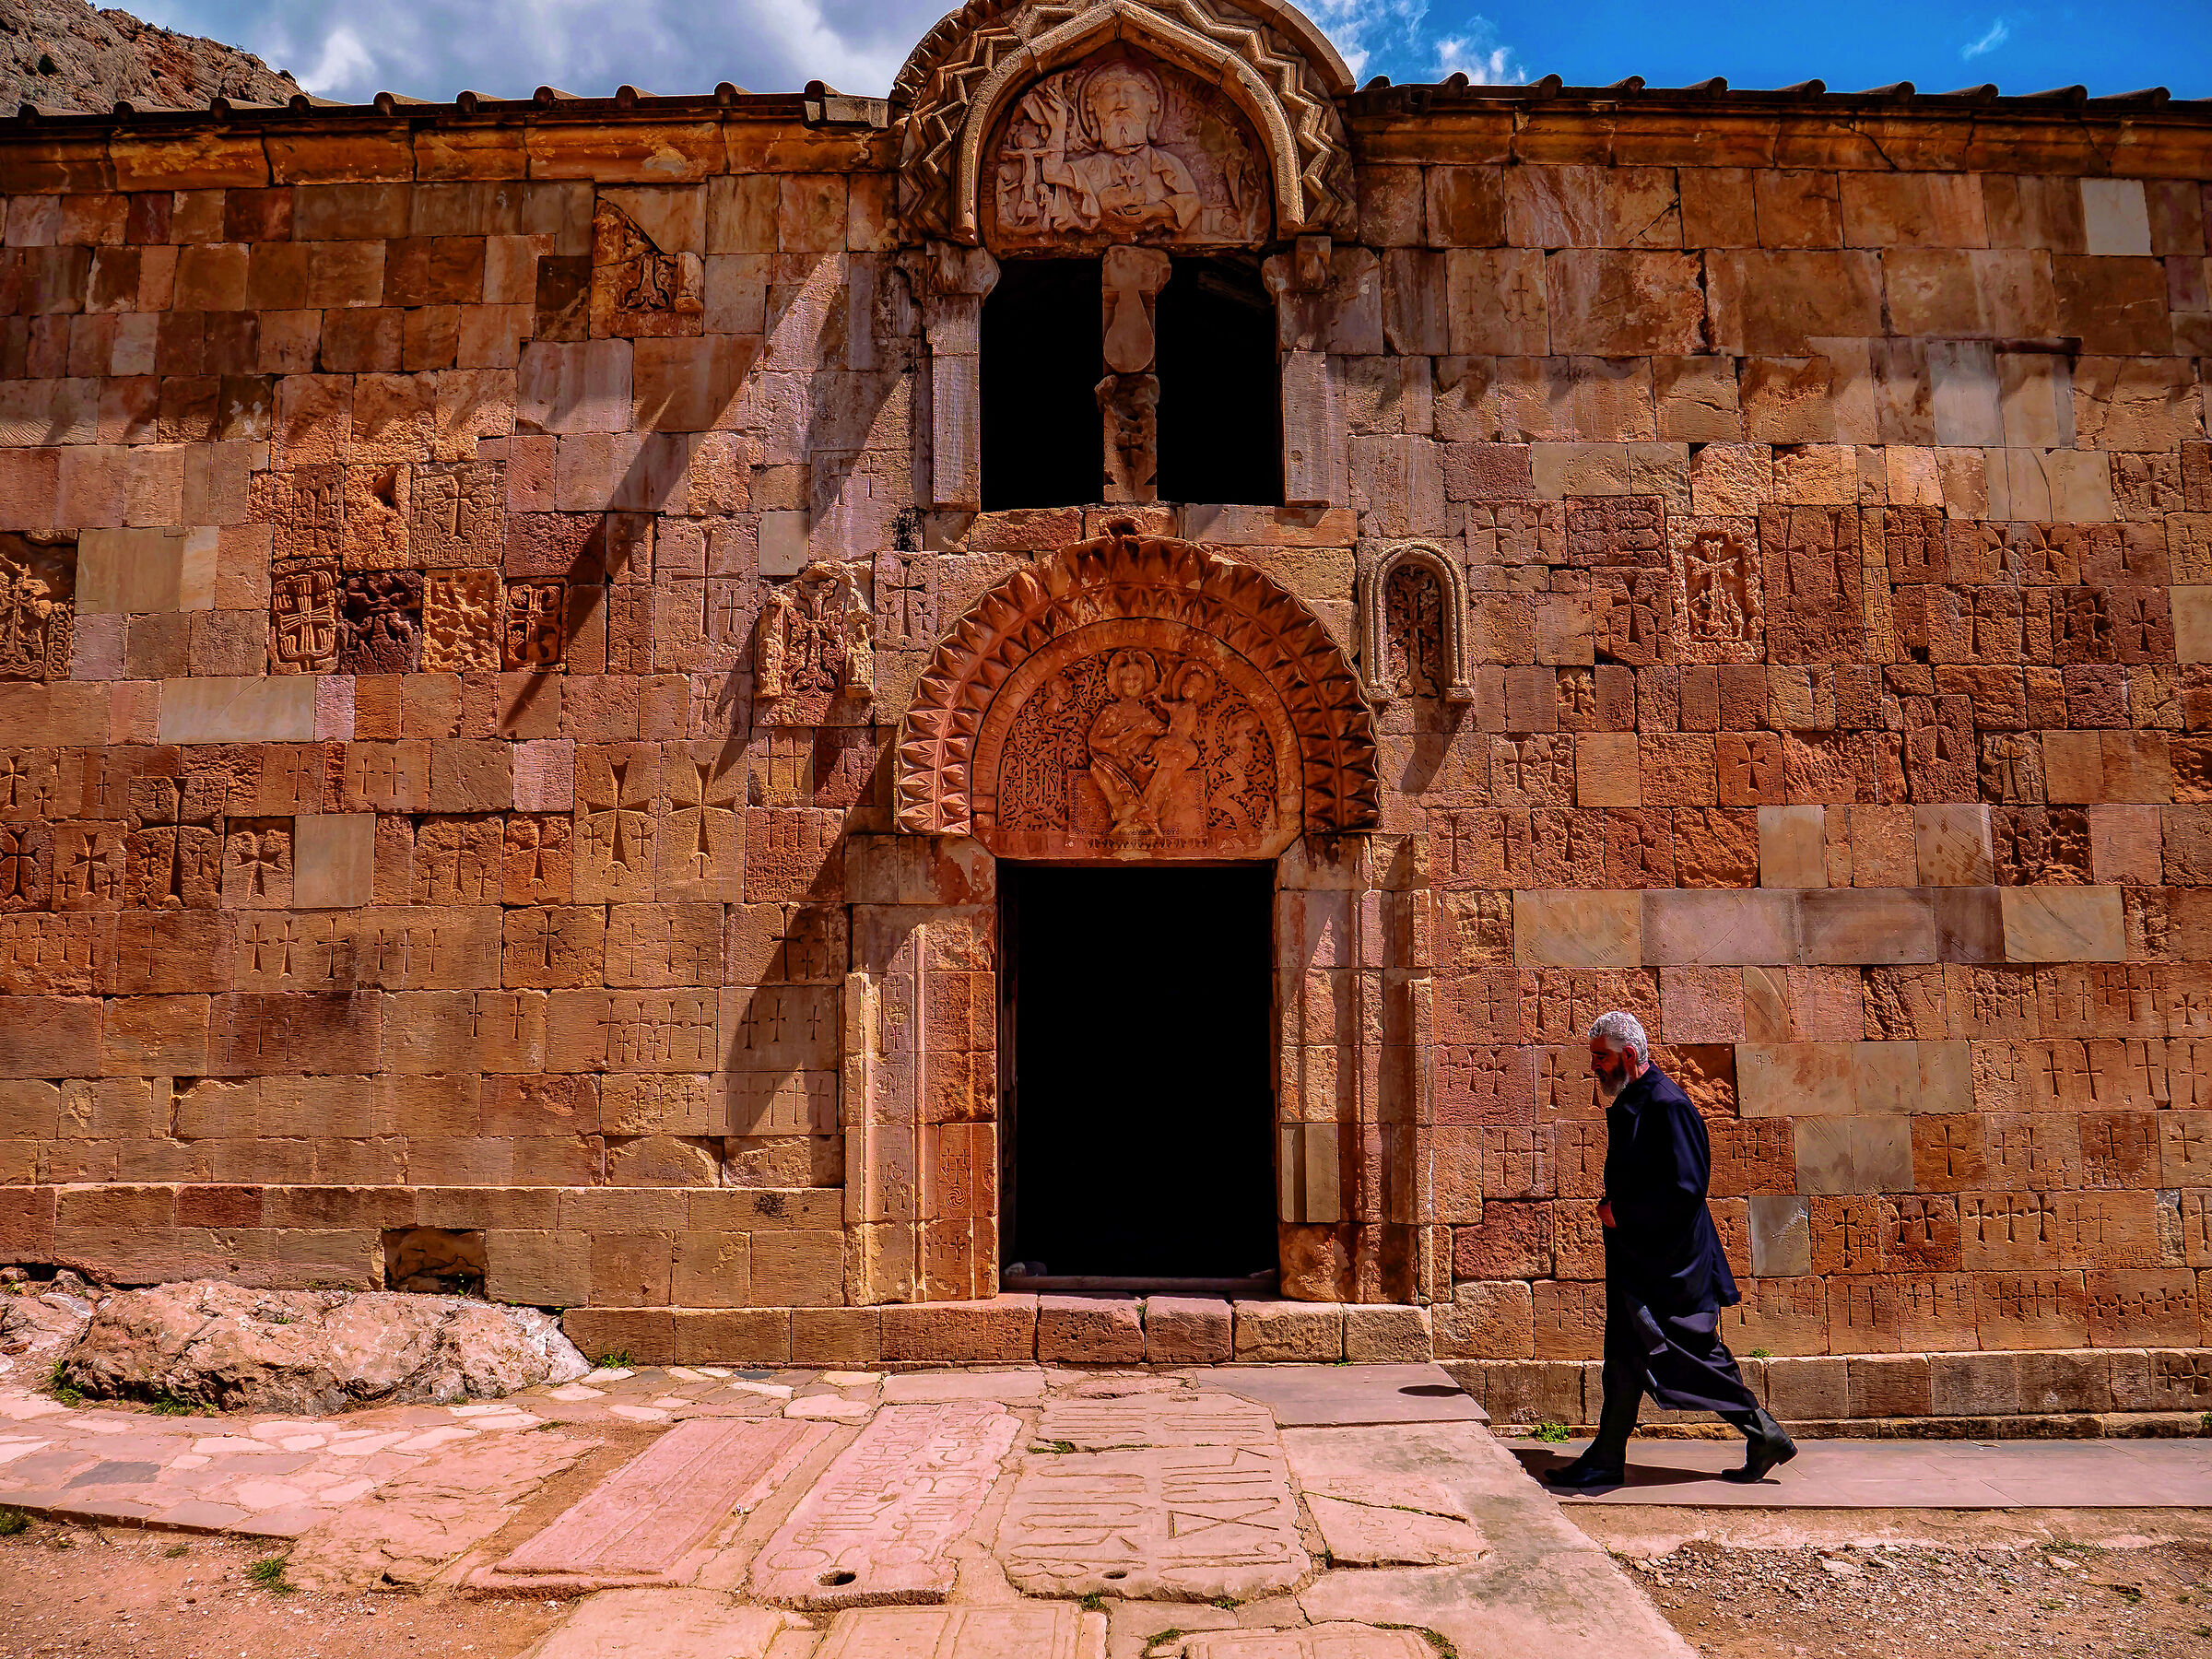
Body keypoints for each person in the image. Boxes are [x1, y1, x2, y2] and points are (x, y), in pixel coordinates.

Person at [1544, 1011, 1796, 1489]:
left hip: (1670, 1262)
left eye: (1601, 1057)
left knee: (1691, 1351)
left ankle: (1765, 1433)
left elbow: (1687, 1188)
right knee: (1624, 1354)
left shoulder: (1667, 1104)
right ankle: (1605, 1458)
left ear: (1630, 1056)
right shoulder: (1634, 1099)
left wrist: (1626, 1214)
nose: (1594, 1066)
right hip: (1640, 1257)